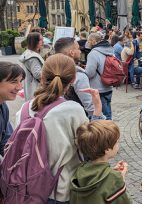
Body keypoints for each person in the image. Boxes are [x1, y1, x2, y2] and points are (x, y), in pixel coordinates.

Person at [16, 54, 92, 203]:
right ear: (73, 80)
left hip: (29, 189)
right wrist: (97, 114)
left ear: (42, 77)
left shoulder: (24, 110)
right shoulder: (74, 110)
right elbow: (89, 148)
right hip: (62, 190)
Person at [70, 120, 132, 204]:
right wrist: (120, 179)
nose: (118, 144)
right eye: (117, 142)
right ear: (107, 149)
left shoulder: (79, 171)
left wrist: (110, 172)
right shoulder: (114, 178)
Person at [54, 37, 103, 119]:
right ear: (72, 53)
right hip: (76, 122)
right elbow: (90, 107)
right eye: (78, 48)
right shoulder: (79, 75)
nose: (80, 51)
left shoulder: (50, 70)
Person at [85, 32, 114, 120]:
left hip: (98, 88)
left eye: (89, 41)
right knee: (108, 112)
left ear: (93, 41)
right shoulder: (110, 50)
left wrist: (83, 71)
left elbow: (90, 73)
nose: (87, 43)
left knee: (101, 115)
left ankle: (106, 132)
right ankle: (110, 130)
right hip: (109, 86)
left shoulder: (93, 53)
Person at [0, 62, 25, 156]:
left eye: (20, 81)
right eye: (14, 81)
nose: (20, 87)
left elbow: (6, 141)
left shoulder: (3, 106)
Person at [19, 32, 44, 101]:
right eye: (41, 39)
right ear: (34, 41)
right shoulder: (33, 58)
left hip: (30, 85)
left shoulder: (28, 53)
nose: (43, 41)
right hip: (35, 87)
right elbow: (38, 74)